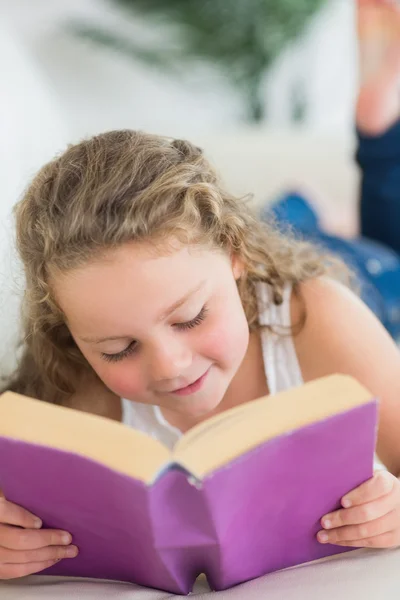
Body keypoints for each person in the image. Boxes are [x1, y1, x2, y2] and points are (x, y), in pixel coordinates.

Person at [1, 0, 400, 583]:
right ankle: (298, 208)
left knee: (377, 253)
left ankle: (377, 140)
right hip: (236, 252)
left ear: (236, 259)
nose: (169, 366)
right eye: (117, 349)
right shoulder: (79, 390)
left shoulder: (321, 318)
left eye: (189, 318)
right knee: (282, 223)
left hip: (373, 292)